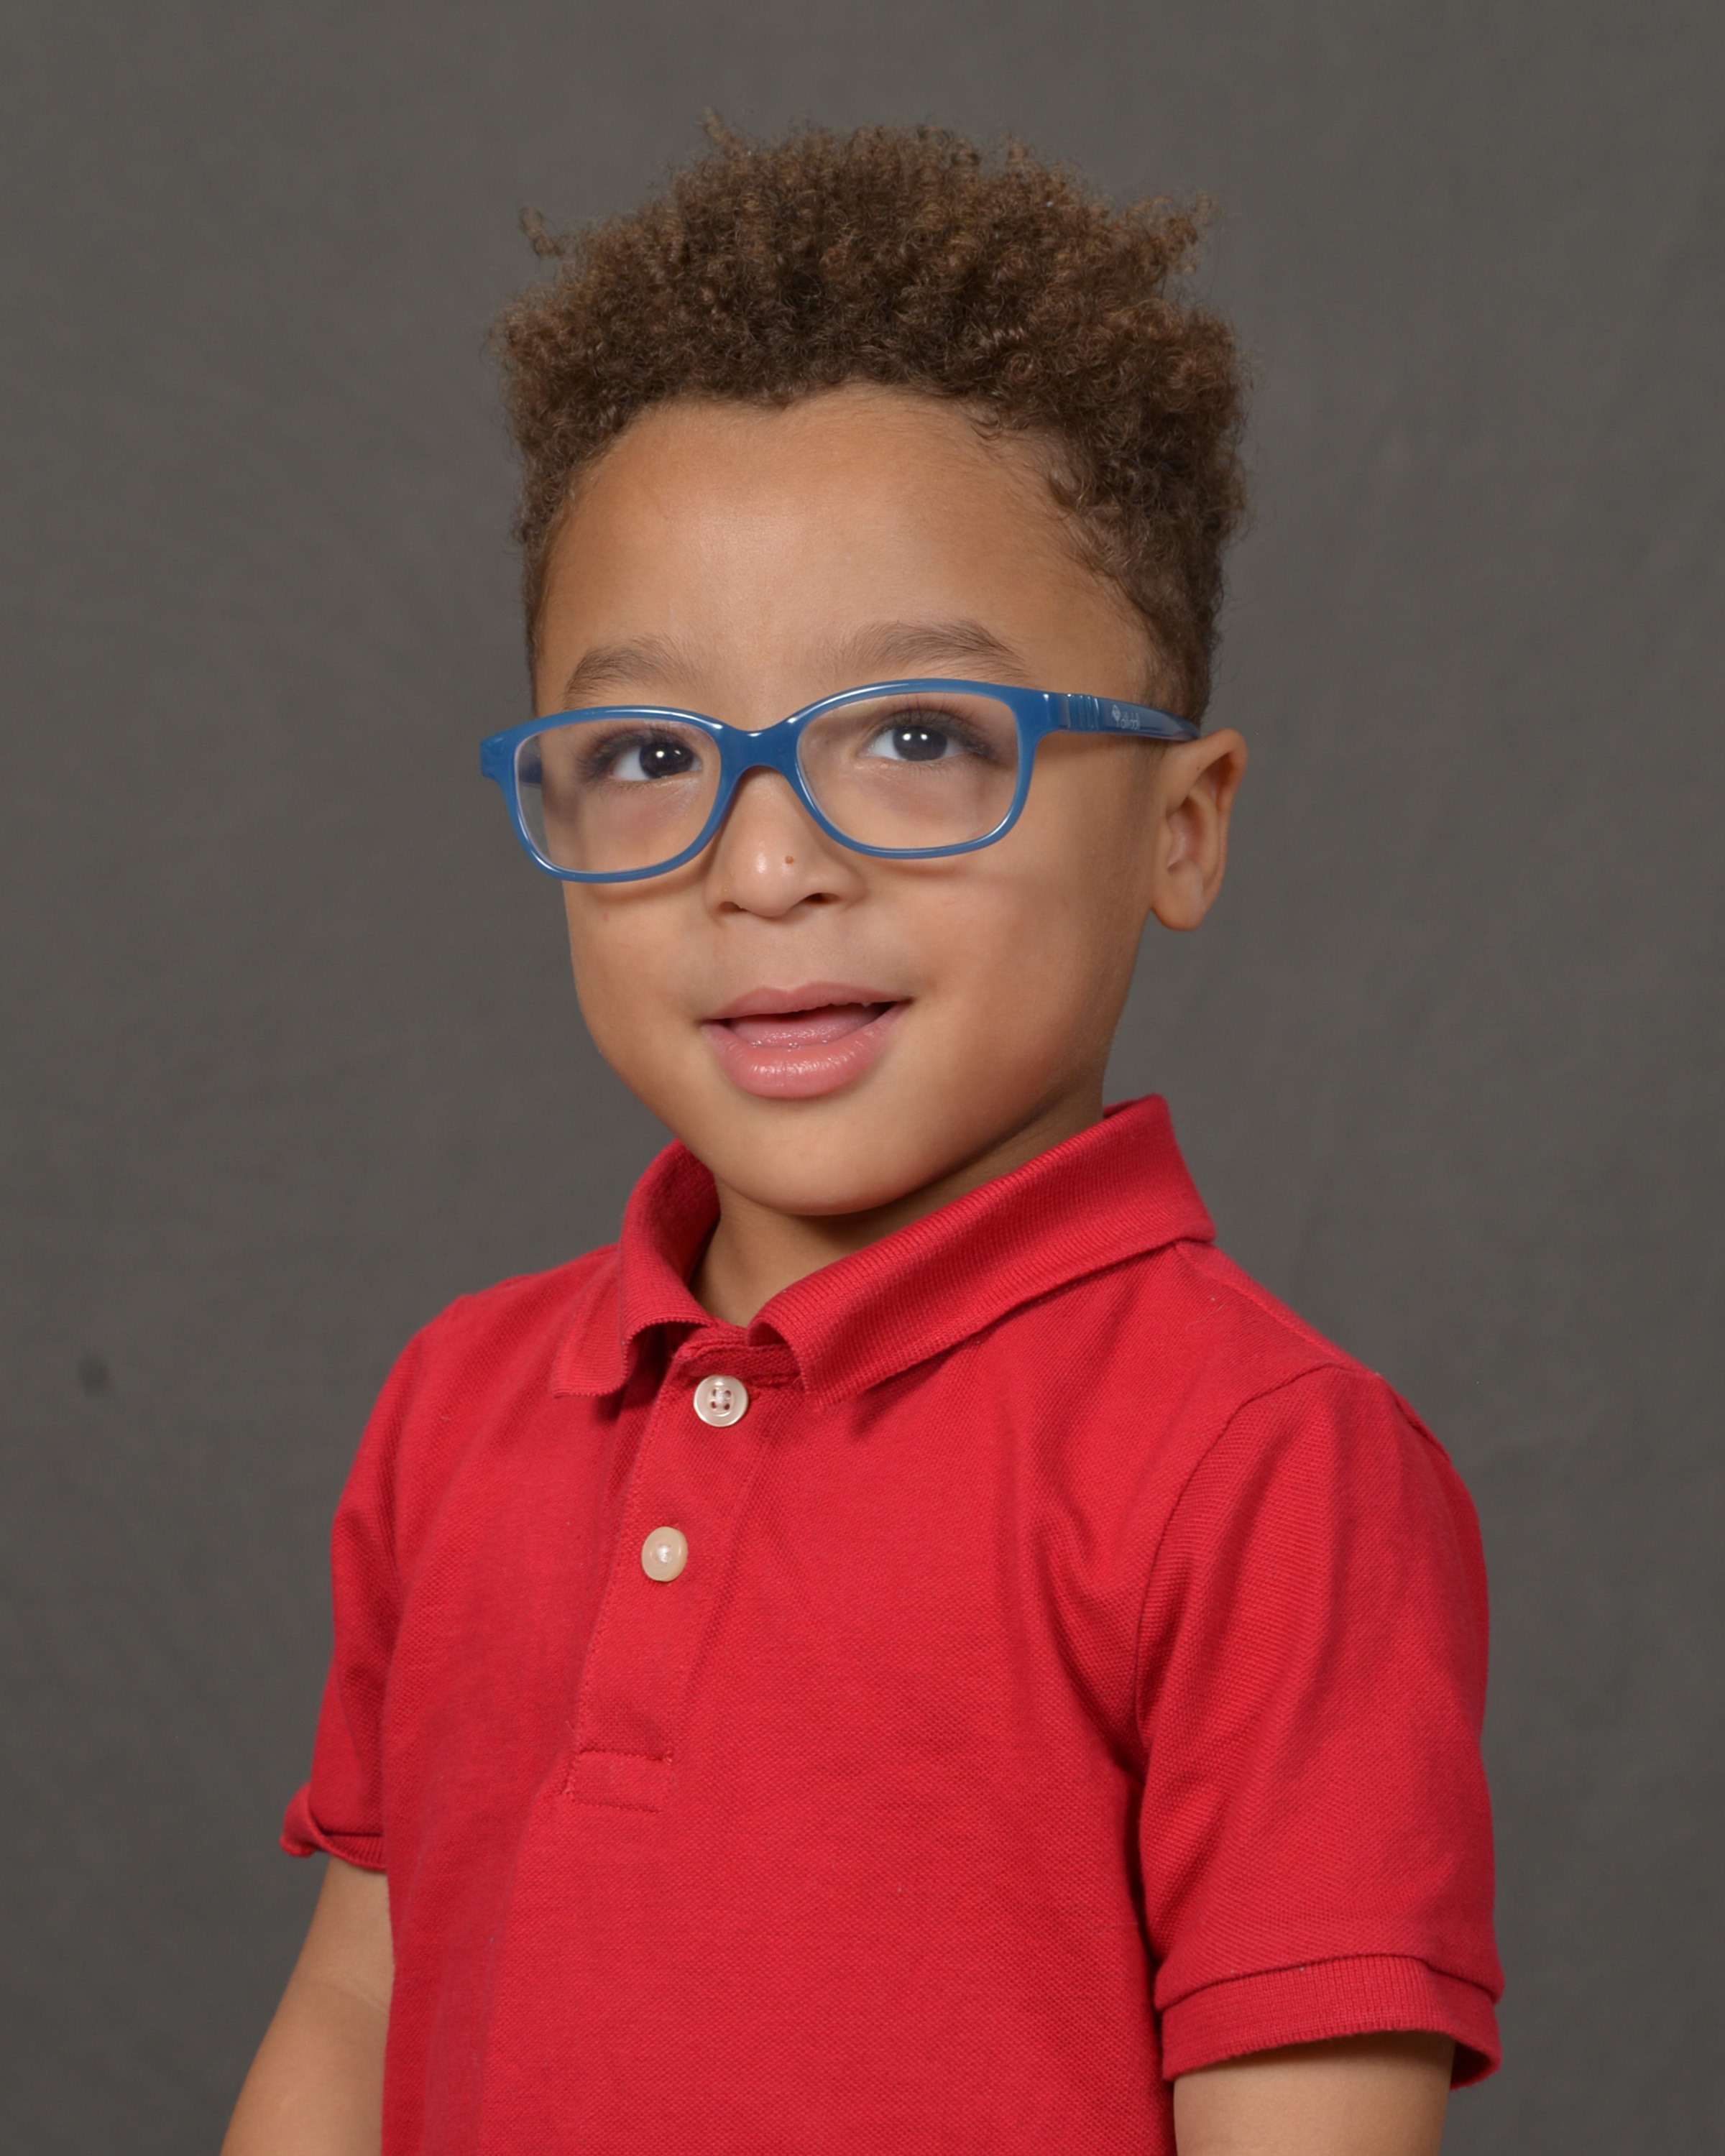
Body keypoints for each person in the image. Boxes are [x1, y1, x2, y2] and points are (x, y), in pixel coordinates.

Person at [223, 124, 1501, 2156]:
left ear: (1182, 827)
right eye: (650, 752)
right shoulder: (458, 1411)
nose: (767, 865)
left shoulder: (1263, 1469)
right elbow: (355, 2010)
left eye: (917, 737)